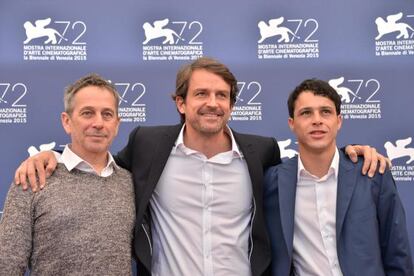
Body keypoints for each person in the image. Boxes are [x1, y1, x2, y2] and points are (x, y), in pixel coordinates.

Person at [13, 58, 388, 276]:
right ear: (180, 102)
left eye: (221, 95)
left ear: (232, 105)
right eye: (201, 94)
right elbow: (99, 165)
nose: (212, 103)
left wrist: (355, 153)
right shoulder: (148, 144)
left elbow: (311, 167)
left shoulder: (262, 153)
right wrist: (54, 157)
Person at [264, 79, 413, 276]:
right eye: (306, 113)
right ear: (292, 123)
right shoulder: (272, 182)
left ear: (339, 121)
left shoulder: (371, 173)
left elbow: (397, 252)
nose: (317, 120)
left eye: (325, 111)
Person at [0, 74, 135, 275]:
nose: (98, 123)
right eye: (87, 113)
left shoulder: (130, 182)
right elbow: (7, 264)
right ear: (67, 121)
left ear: (116, 124)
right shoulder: (33, 178)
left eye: (107, 114)